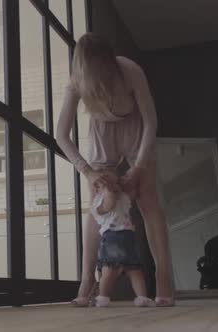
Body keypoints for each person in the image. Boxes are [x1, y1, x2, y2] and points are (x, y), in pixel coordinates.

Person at [56, 32, 174, 307]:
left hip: (135, 126)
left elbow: (151, 121)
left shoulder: (130, 71)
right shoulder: (75, 84)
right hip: (101, 132)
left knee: (148, 200)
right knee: (98, 205)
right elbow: (61, 135)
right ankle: (87, 279)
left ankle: (164, 278)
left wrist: (140, 167)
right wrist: (88, 171)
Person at [90, 170, 155, 307]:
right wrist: (109, 189)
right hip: (112, 236)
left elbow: (132, 193)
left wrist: (128, 180)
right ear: (97, 188)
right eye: (107, 183)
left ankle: (142, 297)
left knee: (134, 269)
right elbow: (109, 203)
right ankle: (103, 296)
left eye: (116, 182)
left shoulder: (123, 196)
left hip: (128, 236)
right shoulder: (98, 202)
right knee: (110, 269)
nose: (113, 186)